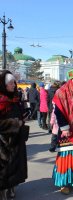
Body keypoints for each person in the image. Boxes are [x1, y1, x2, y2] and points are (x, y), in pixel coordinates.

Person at [0, 70, 28, 200]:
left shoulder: (15, 98)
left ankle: (11, 189)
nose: (14, 85)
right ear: (4, 85)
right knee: (4, 170)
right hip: (3, 143)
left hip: (15, 140)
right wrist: (17, 123)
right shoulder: (1, 100)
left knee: (14, 168)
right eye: (11, 83)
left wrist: (23, 118)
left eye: (14, 82)